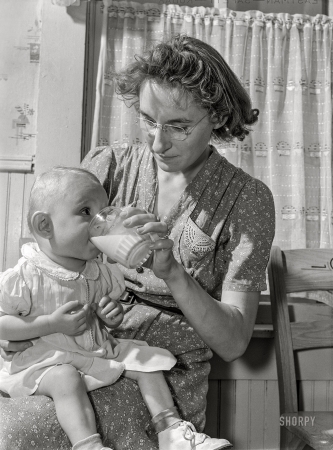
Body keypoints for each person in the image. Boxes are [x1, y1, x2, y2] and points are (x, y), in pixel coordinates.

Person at [0, 34, 275, 449]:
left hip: (162, 368)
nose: (158, 142)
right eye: (148, 120)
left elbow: (234, 342)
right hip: (77, 341)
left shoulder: (247, 199)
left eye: (178, 127)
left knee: (23, 430)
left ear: (217, 117)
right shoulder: (108, 166)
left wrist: (173, 272)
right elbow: (47, 261)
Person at [0, 167, 231, 450]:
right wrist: (50, 324)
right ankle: (88, 445)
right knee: (65, 378)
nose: (100, 222)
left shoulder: (100, 272)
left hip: (92, 350)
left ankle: (171, 430)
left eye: (104, 210)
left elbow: (104, 316)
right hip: (46, 361)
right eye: (86, 212)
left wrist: (110, 316)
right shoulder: (26, 276)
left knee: (145, 359)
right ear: (45, 226)